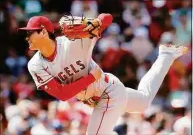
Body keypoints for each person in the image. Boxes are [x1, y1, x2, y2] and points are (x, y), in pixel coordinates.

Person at [18, 13, 188, 134]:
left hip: (108, 91)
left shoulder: (73, 42)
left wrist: (89, 23)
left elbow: (107, 18)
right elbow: (62, 94)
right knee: (143, 102)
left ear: (42, 31)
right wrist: (91, 77)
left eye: (29, 32)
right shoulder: (35, 65)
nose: (26, 36)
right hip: (98, 92)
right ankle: (166, 55)